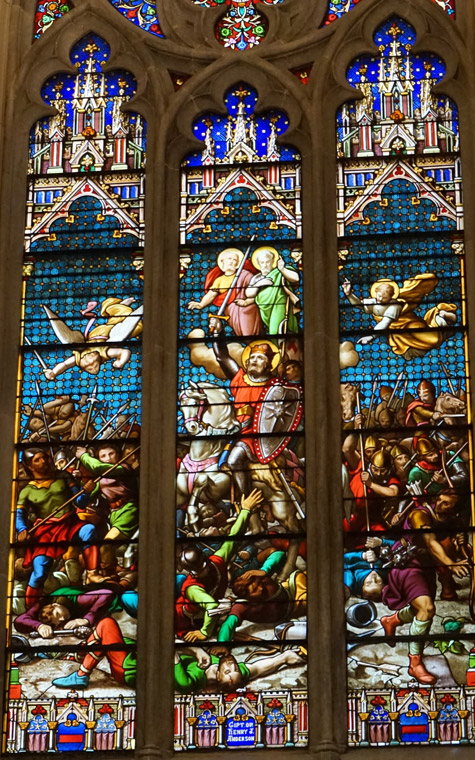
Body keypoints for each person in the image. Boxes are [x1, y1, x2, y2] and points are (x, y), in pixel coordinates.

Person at [380, 492, 470, 684]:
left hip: (426, 566)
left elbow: (455, 547)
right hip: (406, 564)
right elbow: (430, 541)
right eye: (440, 500)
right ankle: (414, 664)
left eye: (447, 503)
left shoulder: (452, 520)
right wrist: (450, 564)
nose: (440, 504)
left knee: (420, 610)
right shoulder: (419, 515)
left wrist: (459, 543)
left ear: (455, 508)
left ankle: (392, 620)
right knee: (426, 608)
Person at [175, 489, 264, 642]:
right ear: (193, 573)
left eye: (203, 567)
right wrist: (204, 632)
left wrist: (245, 510)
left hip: (206, 615)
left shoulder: (217, 561)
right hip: (185, 620)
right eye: (199, 570)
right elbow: (211, 606)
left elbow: (233, 538)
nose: (203, 571)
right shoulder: (192, 588)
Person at [16, 449, 100, 607]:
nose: (44, 461)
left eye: (45, 458)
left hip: (70, 523)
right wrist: (21, 529)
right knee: (40, 572)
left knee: (88, 530)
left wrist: (85, 491)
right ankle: (30, 608)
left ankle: (92, 574)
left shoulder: (63, 476)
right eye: (37, 460)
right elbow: (20, 514)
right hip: (46, 531)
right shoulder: (27, 491)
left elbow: (79, 502)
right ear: (30, 466)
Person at [211, 324, 282, 497]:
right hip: (236, 431)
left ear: (269, 364)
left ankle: (248, 501)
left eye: (260, 358)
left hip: (258, 436)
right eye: (252, 357)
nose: (254, 360)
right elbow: (222, 356)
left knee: (234, 460)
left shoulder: (275, 387)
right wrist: (217, 333)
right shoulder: (240, 379)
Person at [342, 274, 456, 360]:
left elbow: (385, 322)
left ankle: (440, 319)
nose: (380, 299)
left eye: (384, 298)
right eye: (379, 295)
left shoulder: (394, 306)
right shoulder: (375, 301)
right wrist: (349, 294)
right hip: (398, 333)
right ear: (375, 292)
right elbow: (359, 305)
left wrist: (371, 336)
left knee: (434, 339)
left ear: (391, 297)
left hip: (411, 326)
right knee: (414, 349)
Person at [76, 442, 139, 576]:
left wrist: (83, 456)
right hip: (113, 514)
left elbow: (98, 467)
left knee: (107, 544)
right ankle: (109, 576)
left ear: (118, 455)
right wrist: (83, 485)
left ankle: (110, 578)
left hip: (129, 511)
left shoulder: (123, 469)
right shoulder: (101, 479)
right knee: (103, 548)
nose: (108, 458)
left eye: (111, 454)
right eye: (103, 456)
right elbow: (82, 502)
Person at [187, 248, 263, 336]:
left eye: (234, 260)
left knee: (249, 333)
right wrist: (201, 304)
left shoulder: (245, 274)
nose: (231, 262)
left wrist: (247, 302)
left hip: (248, 309)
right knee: (239, 334)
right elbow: (211, 294)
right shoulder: (219, 280)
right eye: (229, 259)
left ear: (238, 263)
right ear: (222, 262)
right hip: (230, 312)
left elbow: (257, 290)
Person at [243, 246, 300, 335]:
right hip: (264, 310)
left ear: (273, 262)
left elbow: (296, 278)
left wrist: (282, 269)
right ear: (258, 264)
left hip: (280, 304)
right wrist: (259, 284)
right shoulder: (257, 278)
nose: (265, 265)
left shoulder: (279, 272)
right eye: (262, 262)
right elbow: (248, 294)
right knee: (272, 329)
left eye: (267, 262)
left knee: (277, 330)